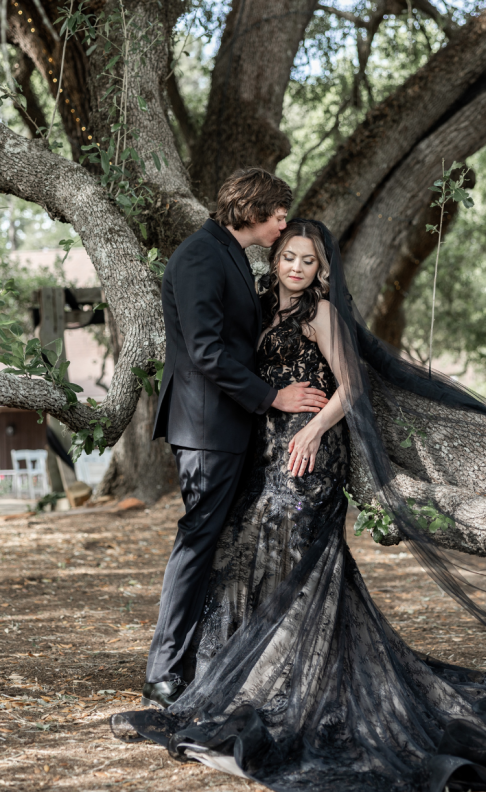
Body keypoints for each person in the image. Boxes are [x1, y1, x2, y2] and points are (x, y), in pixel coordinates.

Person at [115, 219, 486, 792]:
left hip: (310, 452)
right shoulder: (262, 305)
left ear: (323, 269)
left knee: (300, 559)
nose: (296, 267)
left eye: (308, 261)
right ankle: (249, 678)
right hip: (261, 451)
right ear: (275, 260)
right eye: (288, 256)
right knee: (243, 555)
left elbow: (350, 387)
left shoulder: (321, 314)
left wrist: (316, 430)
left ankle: (300, 681)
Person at [142, 171, 329, 709]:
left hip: (224, 427)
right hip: (205, 429)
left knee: (214, 544)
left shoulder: (226, 254)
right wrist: (273, 397)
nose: (282, 225)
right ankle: (162, 671)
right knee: (197, 542)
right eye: (277, 215)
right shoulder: (202, 255)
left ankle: (206, 657)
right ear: (253, 210)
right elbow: (204, 351)